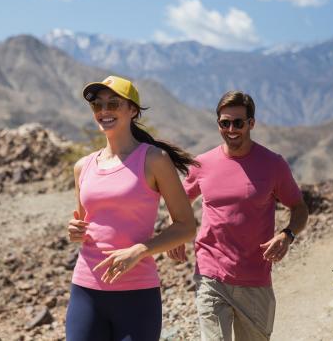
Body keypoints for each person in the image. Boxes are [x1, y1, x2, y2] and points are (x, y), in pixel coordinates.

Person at [65, 75, 198, 341]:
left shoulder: (154, 159)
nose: (104, 111)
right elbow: (84, 223)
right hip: (86, 290)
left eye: (113, 104)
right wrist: (74, 231)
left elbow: (187, 226)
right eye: (97, 105)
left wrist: (139, 250)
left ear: (133, 110)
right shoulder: (83, 166)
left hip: (137, 295)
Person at [168, 90, 309, 341]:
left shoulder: (273, 164)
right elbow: (178, 202)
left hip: (254, 278)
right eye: (225, 123)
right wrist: (175, 232)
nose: (231, 129)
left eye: (238, 123)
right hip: (211, 274)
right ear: (218, 124)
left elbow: (299, 208)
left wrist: (287, 235)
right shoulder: (202, 164)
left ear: (251, 123)